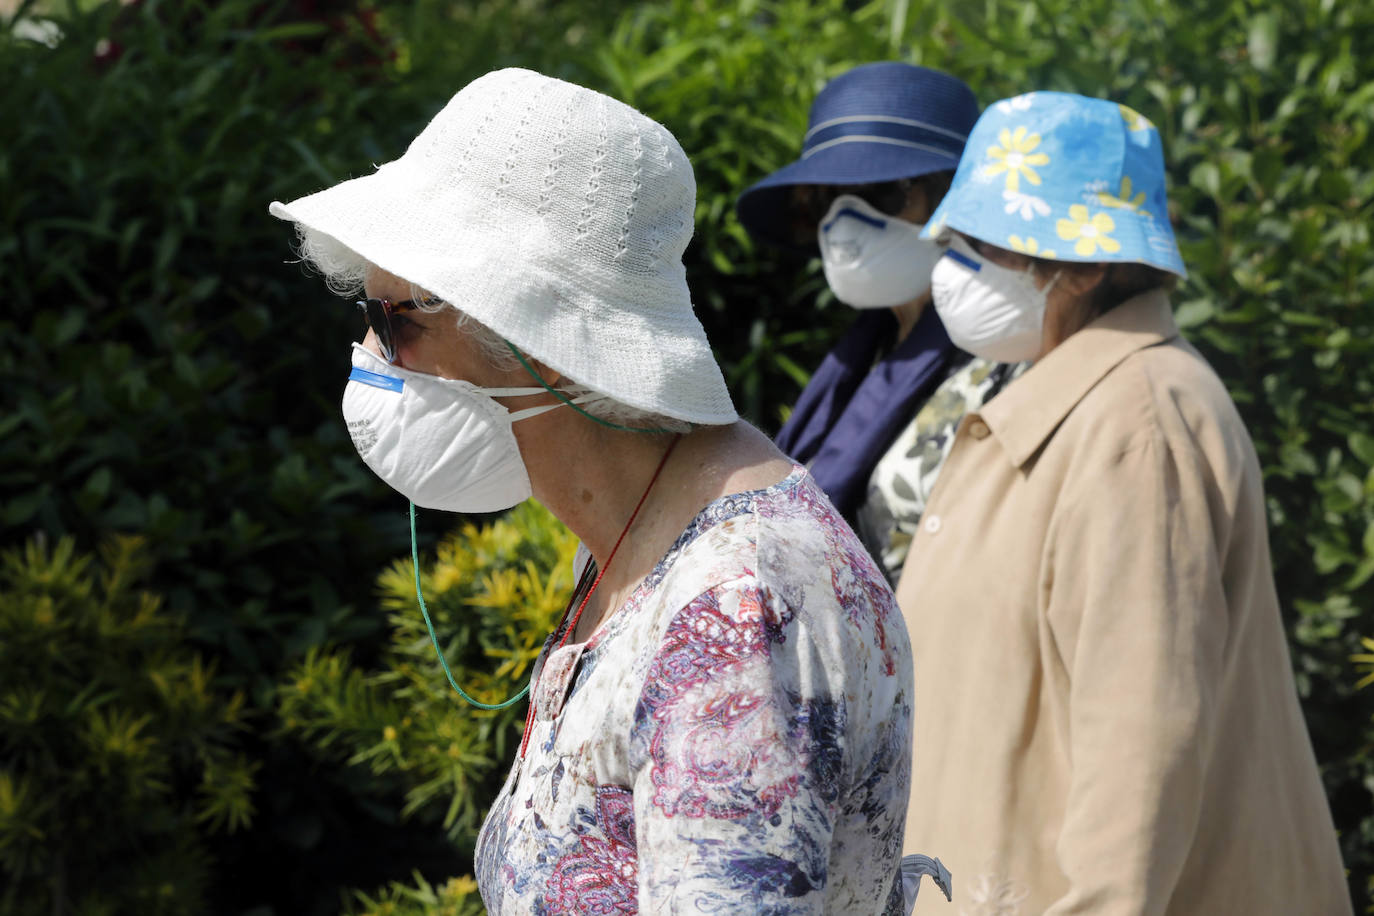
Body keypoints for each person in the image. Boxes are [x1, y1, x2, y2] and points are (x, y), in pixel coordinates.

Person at [269, 68, 915, 913]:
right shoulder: (644, 538)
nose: (371, 351)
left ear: (542, 340)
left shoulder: (734, 609)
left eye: (398, 320)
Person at [898, 91, 1352, 913]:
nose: (952, 266)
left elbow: (1140, 756)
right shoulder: (1074, 394)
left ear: (1085, 265)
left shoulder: (1134, 428)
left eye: (983, 242)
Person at [737, 62, 1022, 585]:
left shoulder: (1009, 362)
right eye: (823, 198)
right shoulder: (860, 358)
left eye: (884, 192)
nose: (843, 220)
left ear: (952, 198)